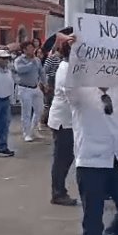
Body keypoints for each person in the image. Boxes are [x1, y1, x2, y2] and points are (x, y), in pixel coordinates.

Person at [65, 79, 118, 234]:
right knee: (93, 221)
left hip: (117, 160)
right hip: (91, 163)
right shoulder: (80, 90)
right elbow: (69, 89)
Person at [47, 42, 78, 206]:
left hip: (67, 120)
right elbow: (72, 96)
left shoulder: (69, 67)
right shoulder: (66, 69)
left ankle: (59, 190)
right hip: (63, 121)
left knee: (66, 157)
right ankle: (58, 192)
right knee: (62, 159)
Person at [15, 41, 45, 142]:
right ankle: (26, 133)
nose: (32, 49)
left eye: (33, 47)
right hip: (24, 88)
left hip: (35, 87)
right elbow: (20, 70)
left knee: (39, 110)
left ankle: (34, 129)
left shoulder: (37, 60)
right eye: (30, 48)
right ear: (24, 50)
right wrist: (31, 63)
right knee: (26, 112)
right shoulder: (19, 60)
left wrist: (44, 83)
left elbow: (41, 71)